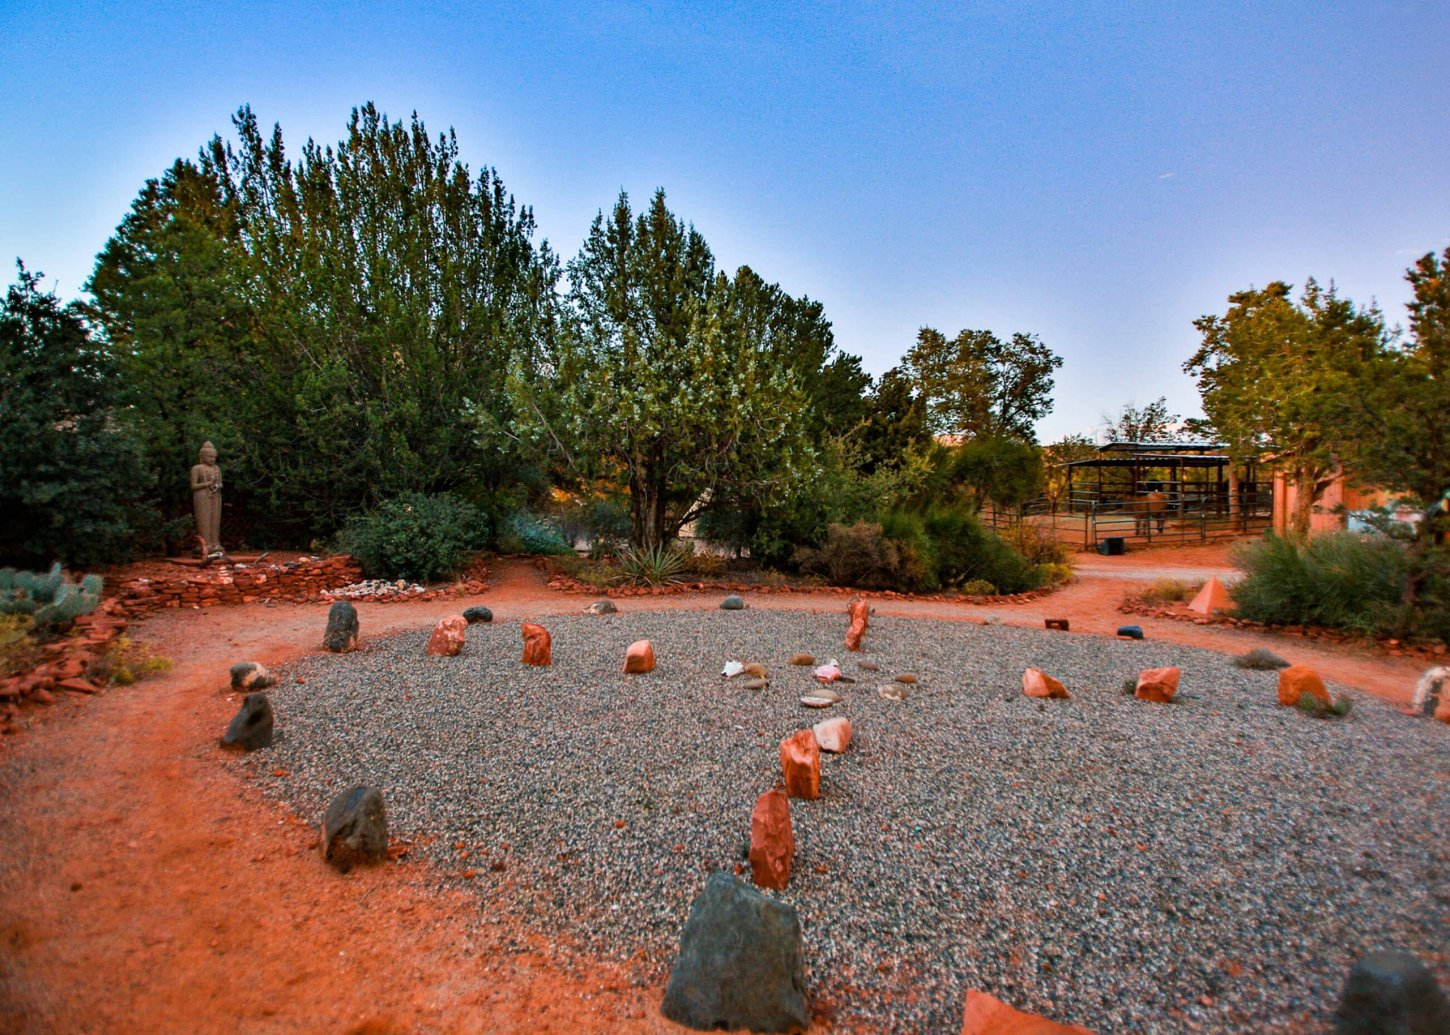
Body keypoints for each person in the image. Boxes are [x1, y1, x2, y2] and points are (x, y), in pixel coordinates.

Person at [191, 441, 223, 555]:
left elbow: (221, 484)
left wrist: (216, 485)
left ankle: (215, 543)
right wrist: (208, 483)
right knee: (203, 520)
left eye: (214, 457)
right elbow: (193, 486)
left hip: (215, 495)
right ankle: (204, 544)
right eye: (210, 457)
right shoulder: (197, 468)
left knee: (215, 520)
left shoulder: (217, 468)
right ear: (203, 457)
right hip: (202, 496)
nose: (212, 459)